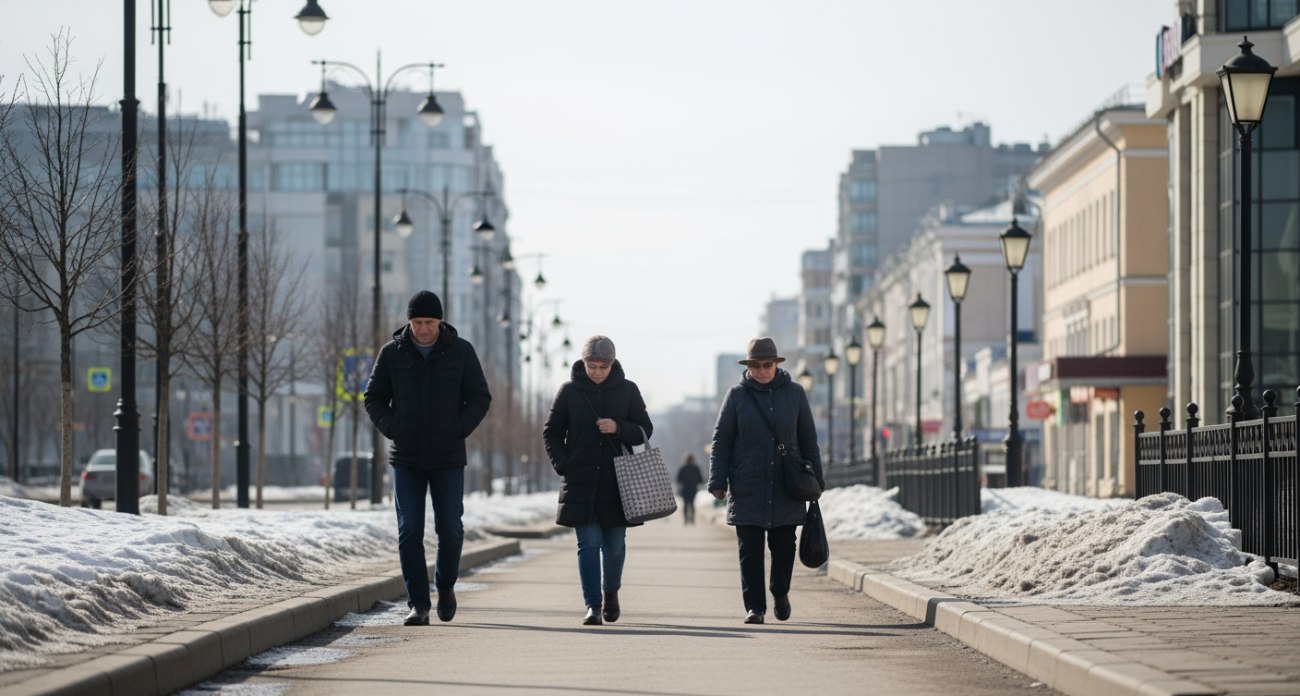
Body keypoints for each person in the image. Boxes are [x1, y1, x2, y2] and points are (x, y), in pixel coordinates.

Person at [364, 290, 491, 626]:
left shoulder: (461, 351)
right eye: (417, 322)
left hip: (448, 456)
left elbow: (480, 396)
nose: (423, 329)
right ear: (409, 321)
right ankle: (418, 604)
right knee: (409, 530)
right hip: (405, 457)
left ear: (440, 320)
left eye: (429, 322)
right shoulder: (392, 353)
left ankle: (445, 586)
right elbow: (373, 397)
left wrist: (458, 427)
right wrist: (395, 428)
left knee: (450, 528)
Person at [708, 337, 823, 625]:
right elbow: (722, 440)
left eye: (767, 365)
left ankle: (780, 592)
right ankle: (755, 607)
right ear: (748, 367)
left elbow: (808, 439)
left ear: (776, 365)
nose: (762, 371)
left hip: (787, 486)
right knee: (749, 550)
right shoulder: (736, 396)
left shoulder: (795, 394)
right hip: (747, 485)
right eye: (756, 366)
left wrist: (817, 479)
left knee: (784, 547)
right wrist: (717, 480)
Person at [543, 335, 653, 625]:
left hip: (618, 482)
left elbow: (645, 429)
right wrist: (564, 464)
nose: (597, 372)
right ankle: (592, 605)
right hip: (580, 480)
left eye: (603, 366)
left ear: (612, 364)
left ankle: (611, 592)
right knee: (588, 545)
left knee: (614, 547)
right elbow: (551, 432)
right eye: (592, 366)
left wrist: (618, 427)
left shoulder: (628, 390)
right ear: (583, 363)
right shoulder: (568, 391)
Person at [676, 454, 703, 525]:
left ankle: (689, 519)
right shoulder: (694, 468)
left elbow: (679, 479)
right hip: (690, 489)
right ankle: (689, 519)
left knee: (688, 504)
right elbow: (700, 479)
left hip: (688, 489)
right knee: (690, 504)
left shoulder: (684, 468)